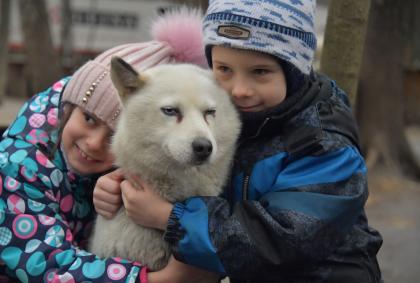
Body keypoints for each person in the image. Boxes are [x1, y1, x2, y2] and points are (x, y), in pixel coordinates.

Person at [95, 0, 384, 282]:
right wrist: (116, 184)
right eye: (224, 70)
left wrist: (171, 217)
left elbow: (283, 240)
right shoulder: (245, 120)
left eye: (260, 72)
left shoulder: (322, 144)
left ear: (294, 73)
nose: (240, 90)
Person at [0, 8, 209, 282]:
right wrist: (159, 279)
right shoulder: (18, 167)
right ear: (69, 107)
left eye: (114, 136)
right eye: (88, 118)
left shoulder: (128, 167)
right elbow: (46, 265)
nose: (95, 143)